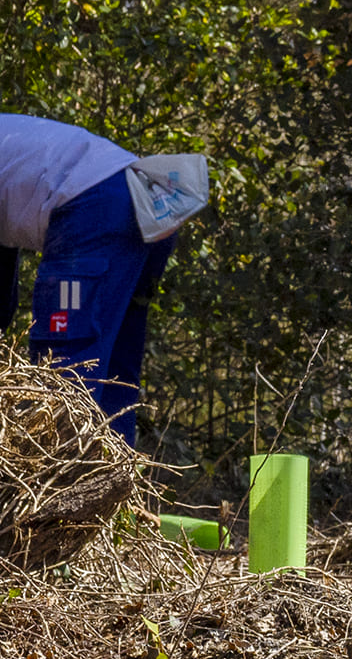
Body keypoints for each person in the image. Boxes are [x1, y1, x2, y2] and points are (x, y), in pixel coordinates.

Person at [2, 115, 211, 444]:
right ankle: (113, 480)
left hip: (95, 215)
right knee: (115, 367)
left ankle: (59, 477)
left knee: (64, 353)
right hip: (140, 206)